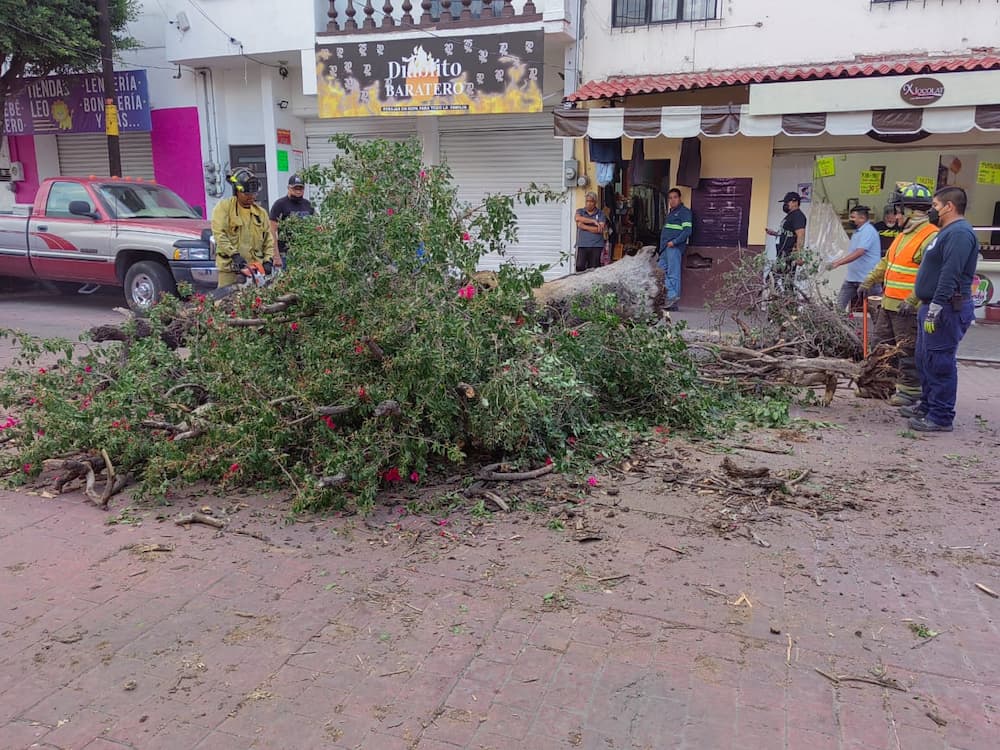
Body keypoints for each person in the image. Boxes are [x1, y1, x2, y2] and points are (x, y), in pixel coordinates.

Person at [906, 187, 979, 432]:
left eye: (936, 205)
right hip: (932, 306)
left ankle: (941, 416)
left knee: (939, 362)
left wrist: (936, 306)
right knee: (924, 358)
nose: (932, 210)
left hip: (946, 308)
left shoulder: (959, 233)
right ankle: (927, 405)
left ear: (949, 206)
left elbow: (951, 273)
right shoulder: (945, 232)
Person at [859, 183, 937, 407]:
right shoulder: (903, 235)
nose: (894, 215)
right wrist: (869, 281)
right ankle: (880, 386)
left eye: (898, 210)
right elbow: (887, 261)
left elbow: (929, 274)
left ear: (912, 211)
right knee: (881, 346)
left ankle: (909, 391)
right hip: (889, 303)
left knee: (906, 349)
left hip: (907, 307)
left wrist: (913, 299)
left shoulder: (930, 236)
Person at [211, 168, 276, 288]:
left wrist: (268, 260)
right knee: (225, 303)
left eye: (254, 194)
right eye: (247, 194)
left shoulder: (261, 213)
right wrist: (235, 256)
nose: (251, 197)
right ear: (237, 191)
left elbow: (268, 240)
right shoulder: (224, 208)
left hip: (255, 272)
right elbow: (219, 234)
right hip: (230, 271)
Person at [827, 205, 881, 310]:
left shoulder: (868, 231)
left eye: (853, 217)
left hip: (868, 279)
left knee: (876, 312)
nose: (850, 220)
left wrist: (839, 263)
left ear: (862, 218)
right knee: (839, 308)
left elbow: (859, 252)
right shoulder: (858, 232)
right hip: (852, 278)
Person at [657, 187, 693, 310]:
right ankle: (671, 298)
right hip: (665, 249)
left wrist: (674, 242)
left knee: (673, 275)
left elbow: (687, 231)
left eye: (675, 197)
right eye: (670, 198)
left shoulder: (684, 212)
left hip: (674, 248)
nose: (672, 200)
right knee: (659, 272)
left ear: (680, 198)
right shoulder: (671, 213)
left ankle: (672, 303)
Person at [269, 175, 315, 266]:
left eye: (300, 188)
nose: (298, 191)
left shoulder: (308, 205)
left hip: (305, 254)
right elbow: (272, 231)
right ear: (289, 188)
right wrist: (276, 256)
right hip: (286, 255)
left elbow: (315, 226)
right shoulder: (280, 204)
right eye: (295, 188)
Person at [766, 191, 807, 283]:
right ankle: (783, 297)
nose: (785, 205)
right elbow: (789, 233)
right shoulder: (790, 216)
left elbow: (800, 235)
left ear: (795, 202)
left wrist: (799, 256)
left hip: (789, 255)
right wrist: (775, 234)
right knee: (785, 282)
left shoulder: (798, 216)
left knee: (772, 280)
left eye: (787, 202)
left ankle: (780, 297)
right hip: (782, 254)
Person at [575, 192, 606, 272]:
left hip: (596, 245)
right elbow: (577, 218)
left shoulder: (600, 214)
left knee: (594, 268)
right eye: (587, 201)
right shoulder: (580, 211)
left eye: (591, 201)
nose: (589, 203)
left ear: (595, 202)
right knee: (579, 266)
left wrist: (583, 226)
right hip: (582, 244)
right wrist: (593, 222)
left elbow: (600, 229)